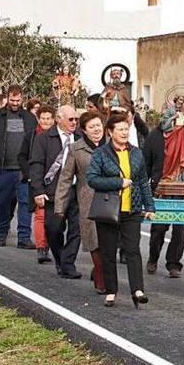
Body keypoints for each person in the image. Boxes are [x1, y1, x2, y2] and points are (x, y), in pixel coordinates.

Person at [86, 110, 156, 308]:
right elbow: (92, 179)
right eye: (120, 129)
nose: (124, 132)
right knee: (108, 252)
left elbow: (142, 181)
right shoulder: (101, 153)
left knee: (133, 250)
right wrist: (118, 182)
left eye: (127, 129)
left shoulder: (136, 153)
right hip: (109, 209)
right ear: (110, 132)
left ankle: (138, 290)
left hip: (131, 209)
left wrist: (149, 205)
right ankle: (111, 291)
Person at [143, 112, 184, 278]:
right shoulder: (155, 136)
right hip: (161, 186)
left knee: (180, 229)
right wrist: (145, 187)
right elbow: (146, 161)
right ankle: (153, 258)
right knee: (159, 227)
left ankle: (174, 263)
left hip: (183, 187)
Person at [55, 111, 107, 294]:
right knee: (94, 241)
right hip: (88, 200)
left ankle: (104, 273)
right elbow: (65, 178)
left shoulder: (113, 145)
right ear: (84, 130)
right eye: (92, 127)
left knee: (108, 241)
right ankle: (100, 275)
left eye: (99, 126)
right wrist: (60, 204)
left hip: (112, 199)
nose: (96, 130)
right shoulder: (76, 149)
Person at [0, 85, 36, 248]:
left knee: (25, 202)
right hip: (2, 168)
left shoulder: (30, 119)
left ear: (22, 99)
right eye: (12, 100)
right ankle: (2, 232)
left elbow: (37, 142)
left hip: (24, 169)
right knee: (3, 202)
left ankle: (24, 237)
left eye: (18, 100)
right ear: (7, 98)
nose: (15, 103)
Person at [29, 105, 82, 278]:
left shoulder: (81, 138)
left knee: (76, 230)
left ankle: (68, 264)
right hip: (54, 190)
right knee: (53, 228)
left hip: (77, 190)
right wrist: (38, 190)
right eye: (71, 119)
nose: (74, 122)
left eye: (76, 119)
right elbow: (36, 164)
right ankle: (61, 260)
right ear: (58, 119)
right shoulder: (44, 138)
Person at [21, 105, 55, 264]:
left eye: (49, 118)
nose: (46, 121)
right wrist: (29, 175)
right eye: (43, 118)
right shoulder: (31, 136)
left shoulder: (60, 136)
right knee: (40, 215)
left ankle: (51, 244)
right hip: (37, 180)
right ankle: (42, 248)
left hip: (56, 182)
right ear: (38, 119)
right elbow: (22, 156)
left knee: (55, 218)